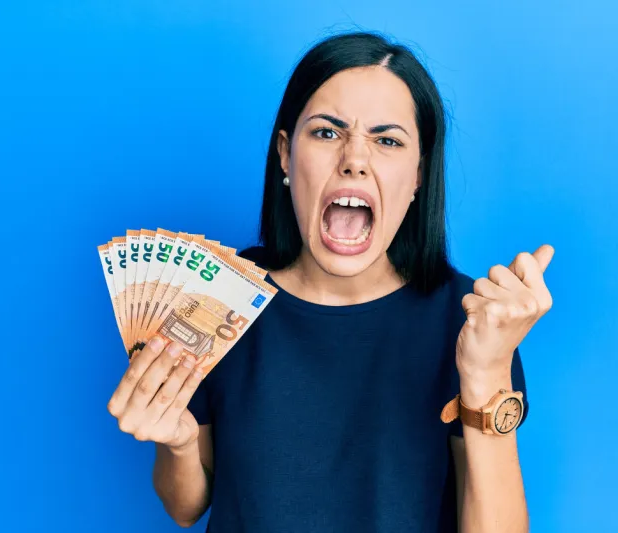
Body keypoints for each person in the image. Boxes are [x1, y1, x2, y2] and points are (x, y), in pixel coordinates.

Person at [107, 31, 554, 533]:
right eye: (326, 132)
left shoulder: (468, 321)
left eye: (387, 141)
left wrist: (487, 373)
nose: (354, 159)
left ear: (419, 175)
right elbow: (186, 506)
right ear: (284, 153)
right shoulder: (218, 298)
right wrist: (179, 444)